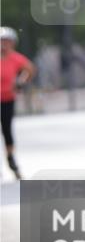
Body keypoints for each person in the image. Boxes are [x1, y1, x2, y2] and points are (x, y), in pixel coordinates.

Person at [1, 26, 36, 180]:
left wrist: (21, 82)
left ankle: (11, 160)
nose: (4, 44)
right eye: (2, 41)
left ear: (13, 43)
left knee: (7, 131)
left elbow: (30, 69)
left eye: (7, 41)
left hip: (8, 99)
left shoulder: (16, 58)